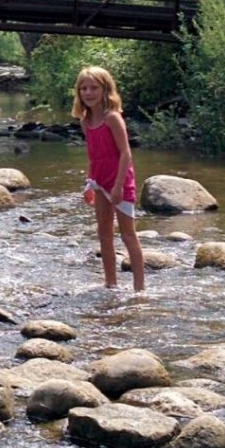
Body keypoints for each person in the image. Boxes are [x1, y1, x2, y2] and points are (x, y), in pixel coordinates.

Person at [72, 66, 145, 292]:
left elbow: (125, 153)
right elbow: (93, 155)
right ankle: (111, 283)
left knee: (128, 234)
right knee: (103, 233)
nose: (88, 92)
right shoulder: (86, 120)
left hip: (119, 181)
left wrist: (118, 186)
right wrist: (89, 183)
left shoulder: (112, 118)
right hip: (99, 180)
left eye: (94, 88)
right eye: (83, 88)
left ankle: (139, 289)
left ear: (105, 90)